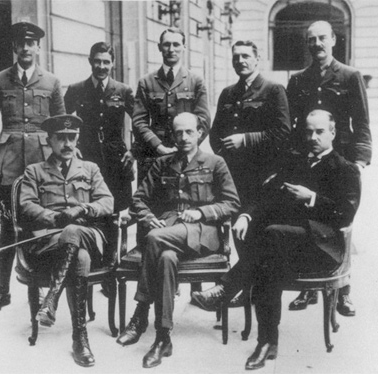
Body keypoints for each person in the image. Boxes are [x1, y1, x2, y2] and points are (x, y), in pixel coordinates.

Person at [192, 109, 361, 370]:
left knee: (271, 237)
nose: (313, 137)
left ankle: (227, 288)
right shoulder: (295, 162)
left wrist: (312, 198)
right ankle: (267, 343)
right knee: (267, 260)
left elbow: (345, 214)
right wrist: (246, 215)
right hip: (284, 247)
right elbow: (266, 195)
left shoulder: (345, 169)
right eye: (307, 131)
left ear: (333, 133)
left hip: (322, 250)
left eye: (319, 132)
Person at [116, 112, 240, 368]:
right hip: (170, 231)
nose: (183, 137)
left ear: (199, 133)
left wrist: (201, 212)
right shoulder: (162, 163)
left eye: (189, 132)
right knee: (166, 258)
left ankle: (140, 314)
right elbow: (138, 198)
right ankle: (163, 338)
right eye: (178, 133)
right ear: (172, 135)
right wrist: (150, 217)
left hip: (204, 232)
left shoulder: (216, 162)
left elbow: (232, 203)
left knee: (153, 239)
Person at [286, 20, 371, 316]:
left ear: (334, 40)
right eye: (312, 40)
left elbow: (361, 123)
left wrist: (359, 161)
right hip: (307, 159)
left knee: (341, 223)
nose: (317, 44)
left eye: (323, 38)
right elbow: (292, 124)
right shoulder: (298, 79)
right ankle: (308, 285)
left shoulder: (349, 76)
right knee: (306, 216)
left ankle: (343, 288)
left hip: (340, 160)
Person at [0, 21, 65, 314]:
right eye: (21, 43)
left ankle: (46, 291)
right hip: (8, 165)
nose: (26, 48)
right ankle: (3, 291)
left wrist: (58, 163)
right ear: (14, 47)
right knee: (7, 226)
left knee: (42, 225)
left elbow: (60, 124)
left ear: (38, 47)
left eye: (31, 43)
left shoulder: (52, 82)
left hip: (42, 164)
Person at [19, 114, 114, 367]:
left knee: (74, 233)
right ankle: (79, 338)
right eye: (61, 138)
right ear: (49, 140)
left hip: (88, 234)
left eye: (72, 138)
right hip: (50, 242)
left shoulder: (90, 168)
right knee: (79, 256)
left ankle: (51, 300)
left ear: (77, 138)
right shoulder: (34, 171)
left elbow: (107, 201)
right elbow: (26, 205)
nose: (67, 143)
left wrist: (83, 209)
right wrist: (54, 217)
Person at [209, 40, 291, 306]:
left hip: (263, 176)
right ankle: (246, 288)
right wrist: (222, 161)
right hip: (234, 177)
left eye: (246, 56)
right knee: (239, 232)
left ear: (258, 59)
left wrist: (246, 139)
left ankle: (255, 289)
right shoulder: (228, 93)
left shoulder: (273, 90)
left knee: (257, 232)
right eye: (236, 57)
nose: (240, 61)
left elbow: (282, 133)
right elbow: (215, 135)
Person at [65, 41, 134, 269]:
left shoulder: (123, 91)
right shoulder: (76, 90)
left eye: (106, 62)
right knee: (90, 210)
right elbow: (62, 122)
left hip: (116, 162)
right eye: (97, 61)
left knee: (113, 213)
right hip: (88, 160)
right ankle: (92, 261)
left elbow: (142, 123)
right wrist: (72, 146)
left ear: (112, 64)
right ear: (90, 62)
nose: (101, 66)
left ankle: (111, 263)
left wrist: (134, 151)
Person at [131, 27, 211, 181]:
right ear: (159, 47)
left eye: (176, 45)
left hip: (187, 156)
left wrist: (186, 145)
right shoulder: (146, 82)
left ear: (184, 48)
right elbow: (138, 121)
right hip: (153, 155)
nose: (171, 49)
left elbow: (204, 120)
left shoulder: (196, 81)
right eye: (166, 45)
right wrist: (158, 146)